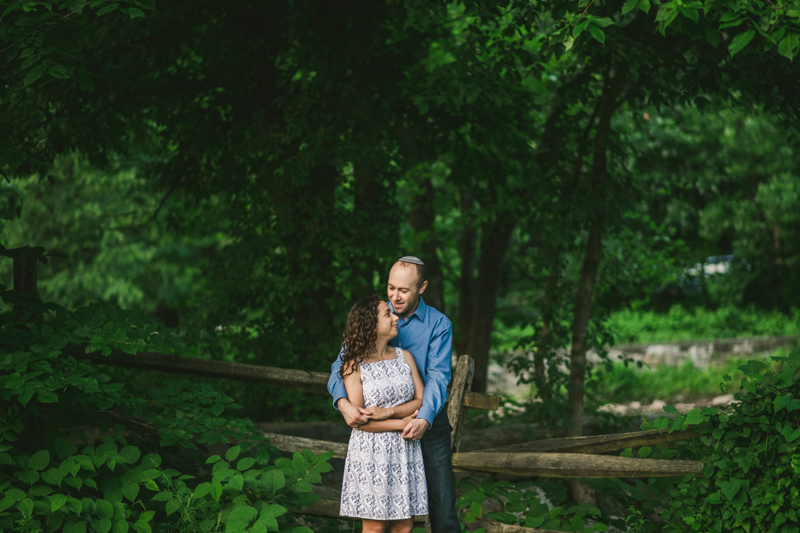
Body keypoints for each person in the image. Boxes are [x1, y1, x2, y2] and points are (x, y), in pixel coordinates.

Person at [329, 256, 460, 533]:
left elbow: (438, 376)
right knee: (379, 519)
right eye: (391, 288)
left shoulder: (438, 324)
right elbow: (341, 365)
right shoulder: (371, 316)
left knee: (442, 508)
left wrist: (423, 418)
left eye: (403, 290)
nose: (395, 297)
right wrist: (342, 403)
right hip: (377, 436)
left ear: (421, 287)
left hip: (428, 422)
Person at [338, 296, 428, 533]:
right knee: (376, 527)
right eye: (387, 314)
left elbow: (420, 399)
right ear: (370, 323)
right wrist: (401, 423)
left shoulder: (404, 356)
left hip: (404, 449)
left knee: (404, 526)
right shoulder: (353, 364)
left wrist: (390, 413)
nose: (395, 317)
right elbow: (360, 423)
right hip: (371, 451)